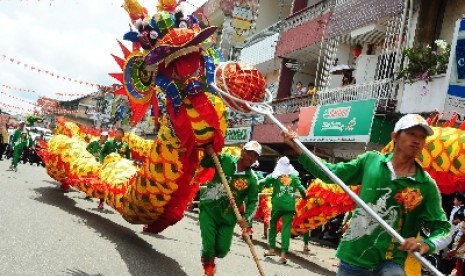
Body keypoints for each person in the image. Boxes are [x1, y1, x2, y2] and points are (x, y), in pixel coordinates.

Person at [281, 113, 451, 275]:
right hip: (354, 256)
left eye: (422, 137)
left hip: (391, 261)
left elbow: (444, 229)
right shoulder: (371, 161)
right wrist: (299, 150)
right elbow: (331, 173)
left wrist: (426, 244)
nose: (417, 140)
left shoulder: (425, 185)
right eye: (411, 133)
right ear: (395, 136)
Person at [199, 141, 260, 276]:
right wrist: (208, 153)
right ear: (242, 150)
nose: (250, 157)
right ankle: (208, 262)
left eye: (254, 156)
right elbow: (205, 163)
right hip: (209, 210)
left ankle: (211, 256)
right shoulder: (225, 159)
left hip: (228, 218)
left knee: (222, 251)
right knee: (209, 248)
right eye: (249, 153)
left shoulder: (252, 179)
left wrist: (246, 218)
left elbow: (254, 202)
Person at [262, 156, 306, 264]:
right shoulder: (294, 177)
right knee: (286, 229)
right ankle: (283, 256)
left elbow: (265, 182)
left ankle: (272, 249)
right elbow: (302, 189)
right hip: (289, 207)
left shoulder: (276, 175)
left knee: (272, 224)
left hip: (277, 206)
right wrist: (305, 196)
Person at [98, 128, 130, 208]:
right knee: (104, 183)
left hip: (120, 169)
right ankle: (101, 201)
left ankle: (115, 201)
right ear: (115, 134)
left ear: (123, 135)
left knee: (117, 184)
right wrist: (101, 162)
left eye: (120, 133)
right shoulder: (109, 143)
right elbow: (102, 152)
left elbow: (128, 158)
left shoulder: (125, 145)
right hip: (109, 167)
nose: (118, 134)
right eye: (117, 132)